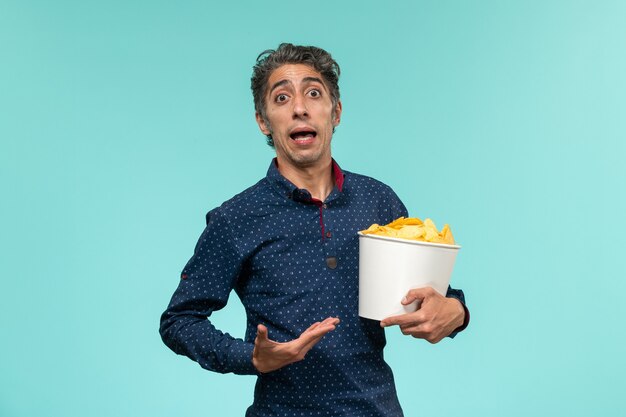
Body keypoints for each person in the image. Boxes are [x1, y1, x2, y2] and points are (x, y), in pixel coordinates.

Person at [160, 43, 469, 417]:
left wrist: (456, 312)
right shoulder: (236, 218)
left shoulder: (378, 200)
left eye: (313, 92)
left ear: (335, 111)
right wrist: (251, 357)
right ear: (263, 120)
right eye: (282, 97)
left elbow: (438, 297)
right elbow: (179, 321)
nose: (299, 107)